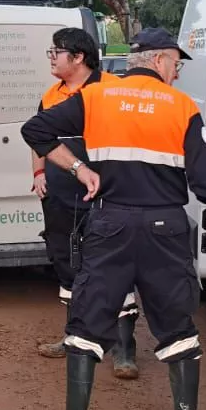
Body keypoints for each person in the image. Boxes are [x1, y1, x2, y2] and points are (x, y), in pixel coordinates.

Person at [21, 27, 206, 410]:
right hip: (165, 229)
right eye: (176, 62)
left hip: (109, 223)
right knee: (177, 331)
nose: (176, 71)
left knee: (86, 325)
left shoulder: (98, 97)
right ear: (158, 60)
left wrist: (80, 169)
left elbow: (35, 130)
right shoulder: (183, 107)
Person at [32, 28, 141, 380]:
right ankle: (74, 338)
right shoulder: (51, 95)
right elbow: (37, 138)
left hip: (107, 192)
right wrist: (38, 172)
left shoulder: (112, 89)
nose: (51, 57)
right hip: (60, 195)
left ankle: (124, 351)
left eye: (56, 52)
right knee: (67, 265)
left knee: (115, 266)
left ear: (78, 57)